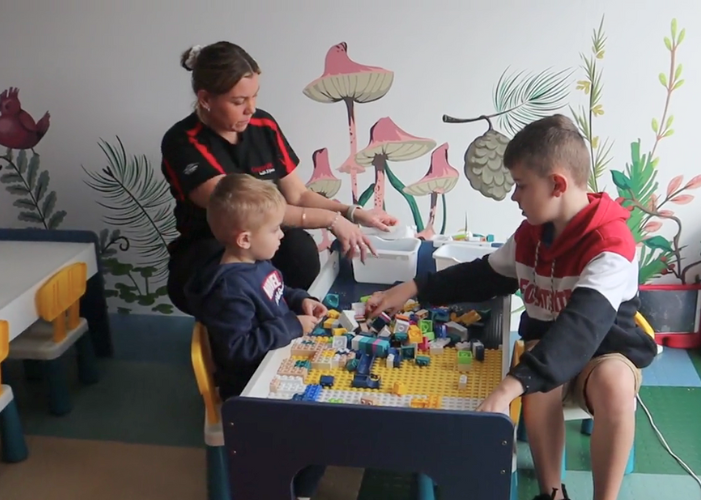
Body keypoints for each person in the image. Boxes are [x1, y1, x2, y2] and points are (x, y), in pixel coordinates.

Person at [364, 115, 658, 500]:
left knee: (614, 384)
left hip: (603, 352)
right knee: (537, 376)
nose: (513, 196)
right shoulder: (532, 235)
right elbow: (484, 274)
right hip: (548, 357)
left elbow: (580, 330)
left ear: (557, 185)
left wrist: (507, 390)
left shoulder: (611, 244)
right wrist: (414, 286)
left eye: (520, 185)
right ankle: (554, 494)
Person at [161, 41, 398, 315]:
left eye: (254, 97)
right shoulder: (182, 142)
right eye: (238, 101)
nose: (250, 109)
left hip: (262, 239)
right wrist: (332, 221)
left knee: (299, 250)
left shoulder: (263, 125)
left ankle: (288, 324)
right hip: (212, 250)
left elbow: (298, 195)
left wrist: (353, 213)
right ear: (205, 99)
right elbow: (245, 211)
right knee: (240, 283)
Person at [186, 173, 327, 500]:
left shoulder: (258, 263)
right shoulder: (229, 291)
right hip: (250, 388)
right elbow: (238, 349)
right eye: (275, 229)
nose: (282, 234)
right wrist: (292, 325)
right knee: (322, 430)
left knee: (324, 425)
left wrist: (300, 299)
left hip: (271, 364)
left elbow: (278, 291)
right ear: (245, 239)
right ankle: (294, 491)